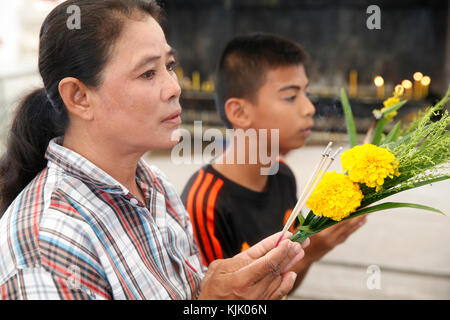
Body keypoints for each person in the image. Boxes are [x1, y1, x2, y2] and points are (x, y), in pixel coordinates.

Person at [0, 0, 308, 300]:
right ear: (79, 96)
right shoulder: (48, 248)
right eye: (148, 73)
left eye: (170, 66)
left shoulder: (154, 185)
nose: (174, 87)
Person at [181, 33, 367, 291]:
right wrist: (314, 250)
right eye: (291, 96)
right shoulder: (205, 204)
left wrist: (314, 247)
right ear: (239, 112)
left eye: (306, 93)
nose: (309, 108)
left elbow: (287, 285)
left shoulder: (283, 174)